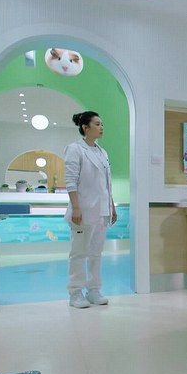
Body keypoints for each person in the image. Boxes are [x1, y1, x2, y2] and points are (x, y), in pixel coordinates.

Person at [64, 111, 117, 308]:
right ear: (85, 127)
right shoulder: (74, 149)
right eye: (97, 124)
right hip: (83, 210)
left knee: (96, 253)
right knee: (78, 253)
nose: (101, 127)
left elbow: (106, 183)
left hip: (102, 210)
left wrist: (111, 206)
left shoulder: (103, 153)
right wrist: (76, 208)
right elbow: (71, 181)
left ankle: (94, 290)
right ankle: (75, 293)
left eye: (102, 124)